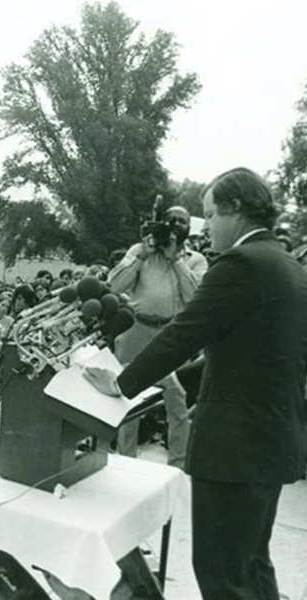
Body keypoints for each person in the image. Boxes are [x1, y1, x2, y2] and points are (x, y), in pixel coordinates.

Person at [84, 168, 307, 600]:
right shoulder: (287, 264)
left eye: (209, 215)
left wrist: (123, 384)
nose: (204, 230)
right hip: (272, 440)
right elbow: (248, 353)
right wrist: (173, 381)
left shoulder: (240, 265)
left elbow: (183, 332)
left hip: (235, 449)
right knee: (253, 565)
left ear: (236, 210)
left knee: (222, 573)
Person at [107, 204, 207, 468]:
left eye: (181, 222)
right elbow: (114, 285)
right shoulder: (140, 250)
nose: (174, 226)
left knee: (178, 400)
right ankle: (126, 461)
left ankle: (177, 465)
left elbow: (196, 297)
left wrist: (176, 260)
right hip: (136, 329)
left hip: (173, 334)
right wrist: (142, 255)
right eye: (170, 220)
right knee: (127, 396)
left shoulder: (195, 259)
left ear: (188, 229)